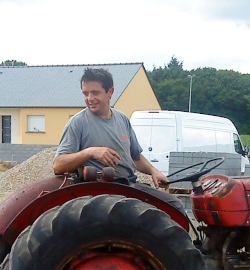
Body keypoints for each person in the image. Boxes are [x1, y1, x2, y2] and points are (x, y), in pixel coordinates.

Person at [53, 67, 186, 214]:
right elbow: (58, 165)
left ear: (110, 92)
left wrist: (154, 171)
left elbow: (134, 157)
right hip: (101, 190)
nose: (89, 98)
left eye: (95, 93)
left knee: (174, 205)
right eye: (85, 93)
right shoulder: (77, 123)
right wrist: (90, 152)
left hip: (128, 184)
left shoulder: (122, 119)